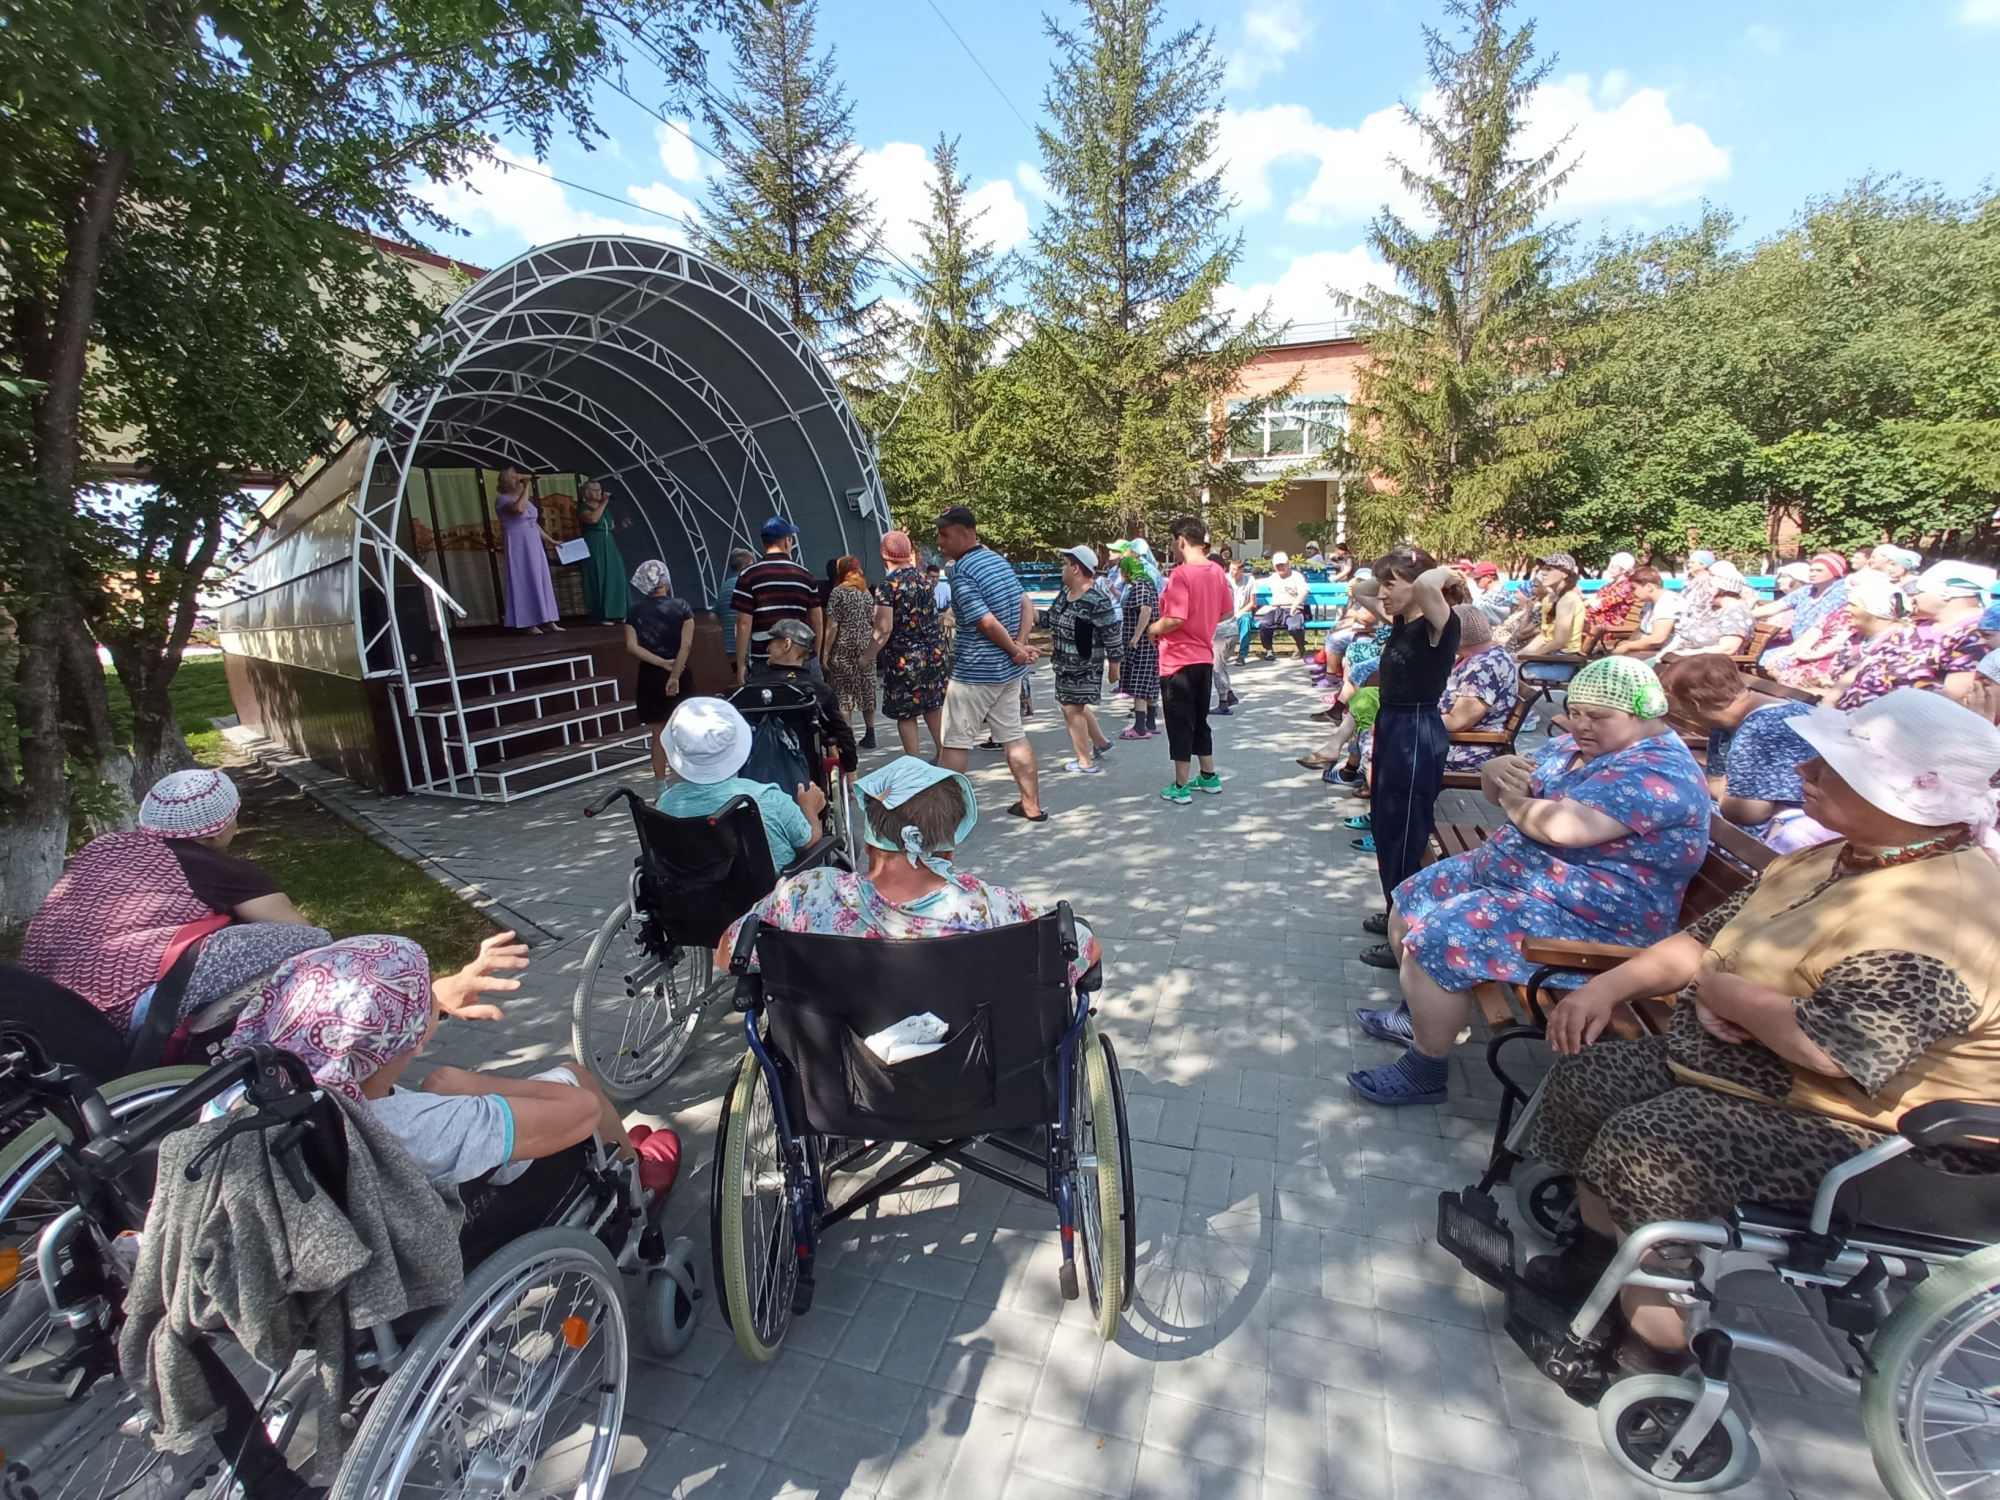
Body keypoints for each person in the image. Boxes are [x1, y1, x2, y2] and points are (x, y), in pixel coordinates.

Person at [1519, 690, 2000, 1368]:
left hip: (1876, 1134)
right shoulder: (1837, 857)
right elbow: (1705, 939)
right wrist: (1608, 987)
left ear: (1903, 798)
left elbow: (1835, 1049)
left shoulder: (1942, 912)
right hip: (1752, 1075)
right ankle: (1593, 1264)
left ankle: (1653, 1356)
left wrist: (1727, 993)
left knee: (1652, 1144)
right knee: (1589, 1076)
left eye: (1833, 767)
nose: (1805, 771)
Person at [1348, 657, 1709, 1102]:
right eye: (1575, 712)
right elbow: (1506, 782)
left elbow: (1561, 828)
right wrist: (1493, 771)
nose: (1581, 725)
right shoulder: (1584, 747)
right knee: (1411, 898)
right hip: (1530, 884)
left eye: (1599, 717)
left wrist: (1512, 800)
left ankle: (1425, 1071)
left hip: (1591, 920)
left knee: (1439, 936)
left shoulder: (1657, 772)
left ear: (1646, 713)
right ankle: (1416, 1016)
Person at [230, 931, 680, 1194]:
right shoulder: (419, 1126)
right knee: (577, 1077)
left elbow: (378, 1032)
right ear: (408, 1041)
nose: (433, 997)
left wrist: (436, 1002)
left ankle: (622, 1149)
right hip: (488, 1193)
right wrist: (464, 1083)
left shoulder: (271, 1098)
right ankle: (635, 1180)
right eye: (424, 997)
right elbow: (580, 1109)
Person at [715, 757, 1100, 983]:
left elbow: (728, 955)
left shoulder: (805, 893)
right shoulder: (993, 908)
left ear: (870, 841)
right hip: (973, 1078)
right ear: (948, 848)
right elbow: (1085, 951)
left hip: (832, 1080)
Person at [22, 768, 330, 1032]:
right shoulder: (213, 867)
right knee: (314, 941)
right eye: (235, 816)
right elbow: (298, 930)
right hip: (123, 1001)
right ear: (217, 830)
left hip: (44, 994)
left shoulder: (104, 847)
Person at [1346, 550, 1461, 963]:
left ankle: (1408, 937)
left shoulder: (1439, 625)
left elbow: (1429, 585)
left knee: (1408, 833)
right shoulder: (1401, 619)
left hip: (1416, 730)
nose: (1382, 592)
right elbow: (1359, 589)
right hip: (1393, 725)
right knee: (1387, 826)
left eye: (1391, 584)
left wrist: (1443, 573)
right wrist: (1391, 576)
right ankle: (1396, 908)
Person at [934, 505, 1044, 821]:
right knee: (1014, 736)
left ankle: (944, 818)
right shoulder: (997, 560)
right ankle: (1032, 806)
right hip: (1008, 673)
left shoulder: (962, 571)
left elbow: (984, 620)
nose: (940, 542)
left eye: (945, 534)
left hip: (975, 672)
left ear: (966, 533)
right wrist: (1019, 645)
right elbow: (1026, 603)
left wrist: (1015, 648)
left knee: (954, 743)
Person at [1659, 655, 1824, 847]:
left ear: (1693, 704)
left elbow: (1745, 813)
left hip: (1780, 841)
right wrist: (1729, 789)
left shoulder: (1759, 730)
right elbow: (1715, 783)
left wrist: (1728, 788)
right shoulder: (1725, 724)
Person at [657, 697, 826, 874]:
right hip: (770, 890)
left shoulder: (666, 805)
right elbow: (808, 844)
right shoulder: (769, 799)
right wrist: (810, 809)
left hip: (691, 891)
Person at [1152, 516, 1232, 803]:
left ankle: (1181, 785)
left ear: (1181, 540)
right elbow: (1226, 611)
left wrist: (1152, 629)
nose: (1173, 548)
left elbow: (1174, 618)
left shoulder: (1181, 574)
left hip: (1178, 659)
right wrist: (1204, 621)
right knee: (1199, 718)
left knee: (1179, 721)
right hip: (1203, 658)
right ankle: (1209, 776)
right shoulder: (1216, 571)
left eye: (1173, 542)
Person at [1835, 561, 1991, 709]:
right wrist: (1829, 703)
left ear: (1946, 593)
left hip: (1892, 723)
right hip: (1845, 716)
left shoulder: (1974, 638)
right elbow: (1863, 666)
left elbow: (1952, 698)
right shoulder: (1912, 628)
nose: (1913, 597)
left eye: (1920, 591)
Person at [1039, 545, 1118, 775]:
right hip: (1063, 665)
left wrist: (1115, 667)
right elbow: (1050, 619)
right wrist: (1028, 612)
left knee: (1071, 709)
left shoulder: (1097, 599)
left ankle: (1085, 762)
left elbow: (1112, 634)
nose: (1062, 568)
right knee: (1074, 706)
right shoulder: (1065, 594)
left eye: (1065, 564)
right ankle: (1101, 743)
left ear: (1075, 569)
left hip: (1085, 666)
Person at [870, 530, 949, 758]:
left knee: (906, 714)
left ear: (884, 553)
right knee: (933, 706)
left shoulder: (888, 586)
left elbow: (884, 628)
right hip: (934, 654)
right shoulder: (925, 580)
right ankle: (944, 756)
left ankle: (914, 763)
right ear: (908, 553)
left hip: (904, 660)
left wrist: (867, 656)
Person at [748, 618, 859, 773]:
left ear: (786, 644)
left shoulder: (751, 688)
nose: (767, 648)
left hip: (758, 773)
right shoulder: (820, 689)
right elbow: (842, 734)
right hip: (808, 774)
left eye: (772, 642)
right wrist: (850, 769)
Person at [624, 560, 695, 799]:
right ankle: (694, 780)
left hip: (650, 675)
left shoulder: (635, 610)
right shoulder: (682, 606)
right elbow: (686, 644)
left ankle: (661, 788)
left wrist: (661, 663)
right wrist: (674, 674)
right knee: (687, 728)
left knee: (658, 733)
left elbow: (631, 646)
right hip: (680, 670)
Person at [731, 516, 822, 682]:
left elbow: (743, 623)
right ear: (787, 541)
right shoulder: (805, 575)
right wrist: (815, 653)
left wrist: (741, 663)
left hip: (764, 659)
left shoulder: (748, 575)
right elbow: (817, 620)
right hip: (800, 658)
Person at [1440, 604, 1520, 772]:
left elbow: (1457, 722)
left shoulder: (1484, 668)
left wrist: (1413, 721)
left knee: (1387, 746)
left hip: (1465, 749)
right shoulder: (1481, 656)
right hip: (1449, 739)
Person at [820, 554, 879, 749]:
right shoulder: (865, 592)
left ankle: (849, 737)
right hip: (865, 645)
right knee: (867, 688)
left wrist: (825, 653)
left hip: (844, 646)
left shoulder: (838, 593)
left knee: (844, 693)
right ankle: (870, 734)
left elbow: (832, 626)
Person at [1759, 552, 1851, 678]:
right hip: (1798, 645)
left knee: (1776, 661)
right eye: (1811, 570)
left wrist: (1787, 652)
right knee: (1764, 657)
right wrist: (1742, 613)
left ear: (1835, 572)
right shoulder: (1807, 590)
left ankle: (1786, 687)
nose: (1812, 573)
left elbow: (1818, 628)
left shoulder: (1840, 593)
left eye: (1819, 570)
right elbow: (1774, 607)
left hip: (1820, 648)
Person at [495, 465, 563, 634]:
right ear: (505, 483)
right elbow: (518, 510)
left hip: (533, 541)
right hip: (518, 541)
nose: (517, 479)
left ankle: (547, 619)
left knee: (541, 578)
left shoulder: (525, 499)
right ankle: (528, 621)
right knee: (524, 577)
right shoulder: (502, 500)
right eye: (513, 478)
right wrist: (526, 487)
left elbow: (533, 522)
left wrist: (550, 540)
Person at [1659, 560, 1755, 659]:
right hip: (1689, 657)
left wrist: (1687, 653)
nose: (1707, 590)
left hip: (1705, 662)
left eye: (1710, 586)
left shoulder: (1736, 613)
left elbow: (1728, 648)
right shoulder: (1715, 609)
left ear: (1722, 589)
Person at [1115, 553, 1161, 740]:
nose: (1122, 576)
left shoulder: (1140, 586)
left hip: (1141, 644)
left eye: (1122, 572)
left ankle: (1140, 728)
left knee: (1139, 681)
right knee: (1150, 680)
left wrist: (1136, 636)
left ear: (1127, 571)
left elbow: (1146, 609)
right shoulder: (1149, 584)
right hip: (1150, 642)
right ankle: (1150, 723)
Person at [574, 480, 630, 626]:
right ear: (586, 493)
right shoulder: (583, 507)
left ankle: (619, 613)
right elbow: (592, 519)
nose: (598, 493)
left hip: (609, 544)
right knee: (599, 575)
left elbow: (610, 529)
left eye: (599, 490)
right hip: (594, 543)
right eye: (594, 490)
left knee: (616, 576)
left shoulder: (605, 509)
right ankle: (603, 615)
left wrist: (621, 527)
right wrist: (603, 503)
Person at [1610, 567, 1678, 657]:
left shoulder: (1668, 602)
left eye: (1634, 588)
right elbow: (1641, 629)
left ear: (1649, 587)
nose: (1632, 593)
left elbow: (1658, 639)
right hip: (1651, 650)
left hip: (1669, 654)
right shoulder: (1650, 603)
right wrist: (1629, 643)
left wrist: (1627, 647)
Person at [1257, 552, 1311, 660]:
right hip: (1277, 609)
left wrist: (1295, 605)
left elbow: (1305, 591)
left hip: (1293, 609)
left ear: (1288, 564)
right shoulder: (1273, 578)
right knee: (1264, 624)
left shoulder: (1296, 576)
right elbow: (1259, 582)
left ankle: (1300, 647)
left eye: (1282, 564)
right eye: (1277, 565)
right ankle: (1268, 650)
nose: (1280, 567)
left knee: (1295, 627)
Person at [714, 547, 757, 661]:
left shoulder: (725, 586)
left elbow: (714, 614)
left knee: (736, 671)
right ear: (744, 567)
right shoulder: (747, 584)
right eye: (751, 564)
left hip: (731, 649)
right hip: (750, 648)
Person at [1584, 552, 1639, 635]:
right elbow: (1596, 597)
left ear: (1624, 570)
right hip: (1597, 621)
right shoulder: (1611, 584)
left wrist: (1587, 602)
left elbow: (1601, 604)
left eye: (1613, 567)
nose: (1609, 569)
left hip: (1608, 626)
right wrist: (1589, 601)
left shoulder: (1626, 587)